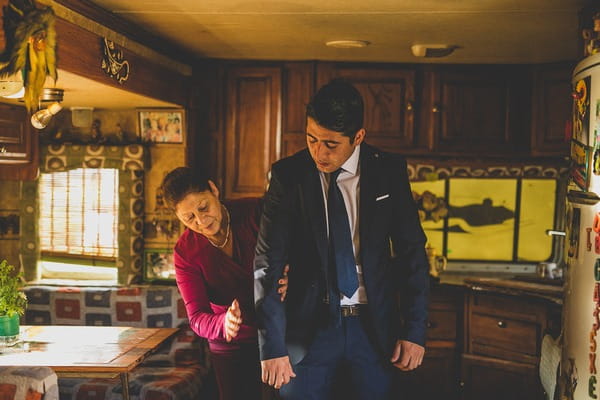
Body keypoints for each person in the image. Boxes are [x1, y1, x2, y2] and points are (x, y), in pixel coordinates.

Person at [254, 79, 430, 399]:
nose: (318, 153)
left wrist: (415, 331)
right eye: (311, 139)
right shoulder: (287, 176)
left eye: (331, 144)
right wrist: (271, 345)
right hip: (307, 331)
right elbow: (267, 262)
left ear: (358, 137)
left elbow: (412, 253)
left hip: (375, 330)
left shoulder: (388, 171)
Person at [161, 167, 287, 400]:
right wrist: (223, 323)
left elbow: (297, 252)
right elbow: (197, 317)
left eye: (203, 207)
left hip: (280, 331)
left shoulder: (255, 212)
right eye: (189, 218)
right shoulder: (185, 252)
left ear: (214, 190)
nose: (201, 221)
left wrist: (293, 277)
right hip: (231, 344)